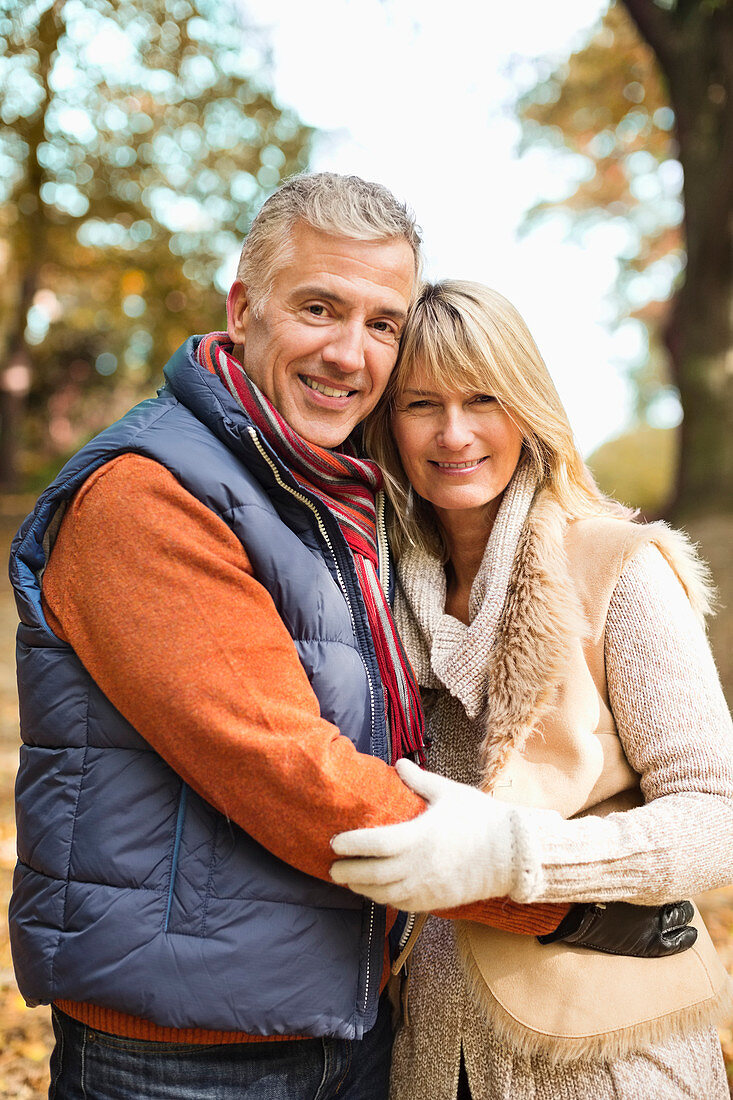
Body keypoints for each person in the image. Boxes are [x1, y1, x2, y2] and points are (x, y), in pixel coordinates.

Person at [9, 177, 571, 1099]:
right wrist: (558, 897)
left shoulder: (329, 494)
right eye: (319, 308)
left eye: (383, 324)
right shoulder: (151, 493)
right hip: (185, 1054)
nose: (350, 355)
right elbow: (287, 771)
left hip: (338, 1019)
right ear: (242, 309)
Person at [331, 280, 733, 1100]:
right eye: (420, 404)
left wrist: (517, 855)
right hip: (430, 1055)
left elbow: (717, 818)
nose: (454, 433)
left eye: (484, 398)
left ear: (528, 405)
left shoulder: (616, 567)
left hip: (611, 1057)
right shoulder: (366, 590)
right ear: (386, 421)